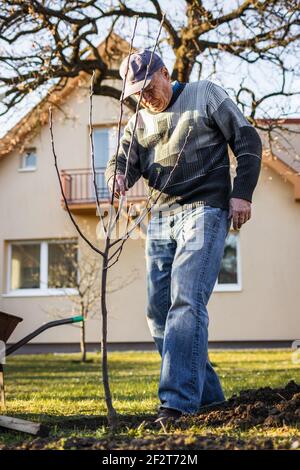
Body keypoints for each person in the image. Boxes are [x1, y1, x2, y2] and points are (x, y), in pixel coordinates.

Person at [105, 50, 262, 427]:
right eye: (136, 94)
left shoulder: (205, 94)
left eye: (148, 88)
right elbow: (121, 161)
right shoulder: (139, 122)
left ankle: (176, 407)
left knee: (186, 299)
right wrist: (118, 177)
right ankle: (210, 400)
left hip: (205, 208)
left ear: (165, 73)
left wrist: (242, 192)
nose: (144, 98)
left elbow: (247, 138)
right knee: (158, 313)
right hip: (160, 218)